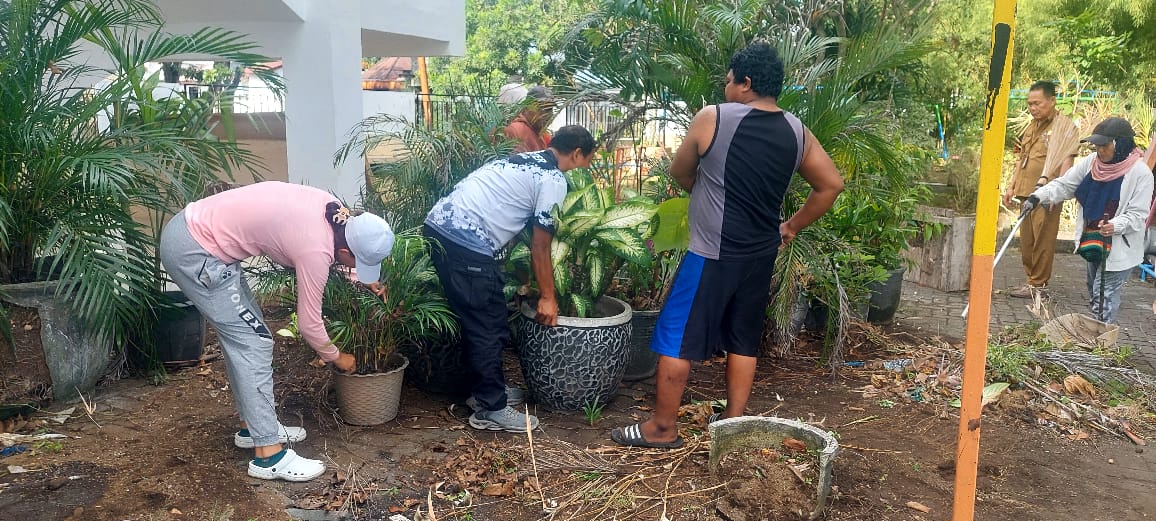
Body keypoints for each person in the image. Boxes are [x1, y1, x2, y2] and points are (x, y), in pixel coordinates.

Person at [610, 43, 844, 449]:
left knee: (675, 336)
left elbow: (681, 171)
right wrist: (790, 226)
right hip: (760, 254)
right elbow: (831, 185)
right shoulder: (797, 131)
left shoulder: (713, 118)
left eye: (729, 80)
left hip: (710, 253)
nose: (725, 87)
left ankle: (662, 428)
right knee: (742, 336)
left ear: (746, 83)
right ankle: (732, 427)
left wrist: (700, 190)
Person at [159, 181, 395, 482]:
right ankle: (268, 455)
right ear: (347, 249)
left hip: (196, 235)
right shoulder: (315, 249)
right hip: (195, 253)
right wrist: (337, 357)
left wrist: (358, 276)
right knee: (252, 343)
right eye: (358, 262)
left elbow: (335, 250)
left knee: (246, 337)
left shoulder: (334, 212)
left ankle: (255, 426)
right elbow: (310, 325)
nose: (358, 267)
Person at [423, 125, 597, 433]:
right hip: (466, 241)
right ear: (577, 153)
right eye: (587, 160)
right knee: (488, 325)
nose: (586, 167)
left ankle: (487, 391)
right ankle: (491, 408)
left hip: (440, 228)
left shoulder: (521, 160)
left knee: (479, 318)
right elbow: (540, 245)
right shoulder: (553, 179)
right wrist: (548, 296)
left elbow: (510, 217)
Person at [1024, 117, 1153, 324]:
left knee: (1105, 297)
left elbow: (1138, 216)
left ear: (1121, 145)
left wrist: (1115, 225)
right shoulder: (1092, 162)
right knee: (1094, 292)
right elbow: (1065, 185)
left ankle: (1100, 344)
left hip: (1119, 246)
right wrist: (1038, 196)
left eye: (1105, 145)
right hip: (1092, 238)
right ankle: (1097, 338)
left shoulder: (1141, 174)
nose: (1100, 150)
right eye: (1097, 145)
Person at [1002, 81, 1080, 298]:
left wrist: (1060, 190)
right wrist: (1011, 185)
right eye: (1030, 104)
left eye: (1038, 103)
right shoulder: (1031, 127)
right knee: (1027, 240)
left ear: (1052, 101)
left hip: (1047, 194)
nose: (1033, 108)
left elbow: (1067, 162)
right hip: (1026, 190)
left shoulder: (1065, 127)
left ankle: (1038, 284)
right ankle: (1030, 280)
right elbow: (1022, 159)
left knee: (1042, 240)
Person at [500, 85, 555, 153]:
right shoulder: (514, 130)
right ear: (528, 107)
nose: (547, 114)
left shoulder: (544, 135)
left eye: (549, 109)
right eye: (542, 107)